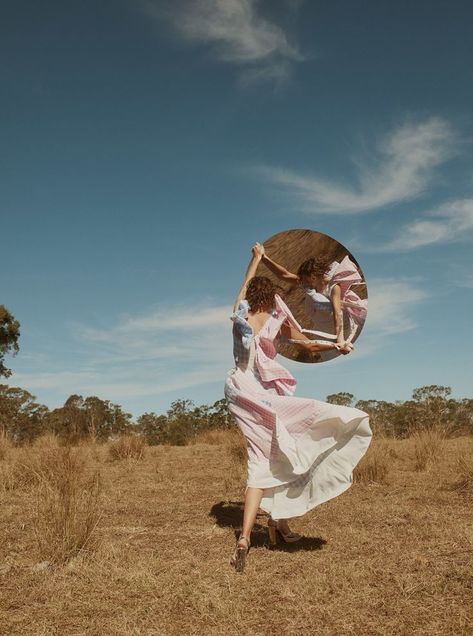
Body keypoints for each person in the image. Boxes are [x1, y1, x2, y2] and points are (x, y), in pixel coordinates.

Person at [225, 245, 372, 572]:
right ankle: (277, 522)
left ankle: (248, 536)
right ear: (273, 299)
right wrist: (337, 344)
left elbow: (245, 285)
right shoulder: (277, 318)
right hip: (261, 392)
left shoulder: (240, 313)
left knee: (261, 460)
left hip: (239, 390)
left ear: (251, 297)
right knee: (290, 441)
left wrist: (255, 260)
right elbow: (306, 342)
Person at [258, 244, 367, 354]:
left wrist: (340, 340)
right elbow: (284, 275)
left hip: (342, 330)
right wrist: (264, 257)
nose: (303, 283)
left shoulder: (334, 287)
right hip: (323, 331)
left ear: (313, 276)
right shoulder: (308, 285)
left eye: (305, 279)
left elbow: (337, 314)